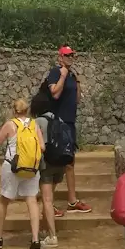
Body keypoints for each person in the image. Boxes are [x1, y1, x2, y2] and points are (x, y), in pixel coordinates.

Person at [0, 99, 45, 249]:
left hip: (12, 166)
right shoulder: (34, 124)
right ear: (27, 110)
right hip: (31, 168)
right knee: (31, 201)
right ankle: (36, 240)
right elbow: (42, 147)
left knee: (4, 201)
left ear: (14, 110)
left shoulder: (10, 125)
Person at [46, 45, 92, 214]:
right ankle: (47, 203)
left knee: (70, 162)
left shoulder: (72, 76)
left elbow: (77, 100)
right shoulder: (56, 72)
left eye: (72, 55)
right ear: (60, 57)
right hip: (58, 124)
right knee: (59, 163)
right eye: (67, 55)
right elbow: (55, 94)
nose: (70, 58)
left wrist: (77, 81)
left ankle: (72, 201)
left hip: (69, 123)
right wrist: (63, 76)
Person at [30, 93, 65, 248]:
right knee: (49, 199)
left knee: (47, 200)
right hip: (60, 163)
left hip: (46, 165)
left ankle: (52, 236)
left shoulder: (37, 122)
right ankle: (45, 230)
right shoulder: (59, 119)